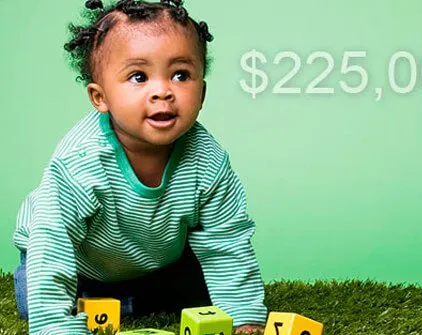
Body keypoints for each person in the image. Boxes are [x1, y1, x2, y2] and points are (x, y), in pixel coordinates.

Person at [12, 0, 267, 334]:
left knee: (208, 284)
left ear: (202, 92)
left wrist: (244, 316)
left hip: (156, 260)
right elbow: (53, 242)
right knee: (35, 296)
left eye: (181, 75)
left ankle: (131, 299)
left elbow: (226, 240)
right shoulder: (81, 161)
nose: (163, 91)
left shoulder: (208, 160)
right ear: (99, 97)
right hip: (77, 261)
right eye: (138, 77)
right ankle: (112, 299)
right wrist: (56, 327)